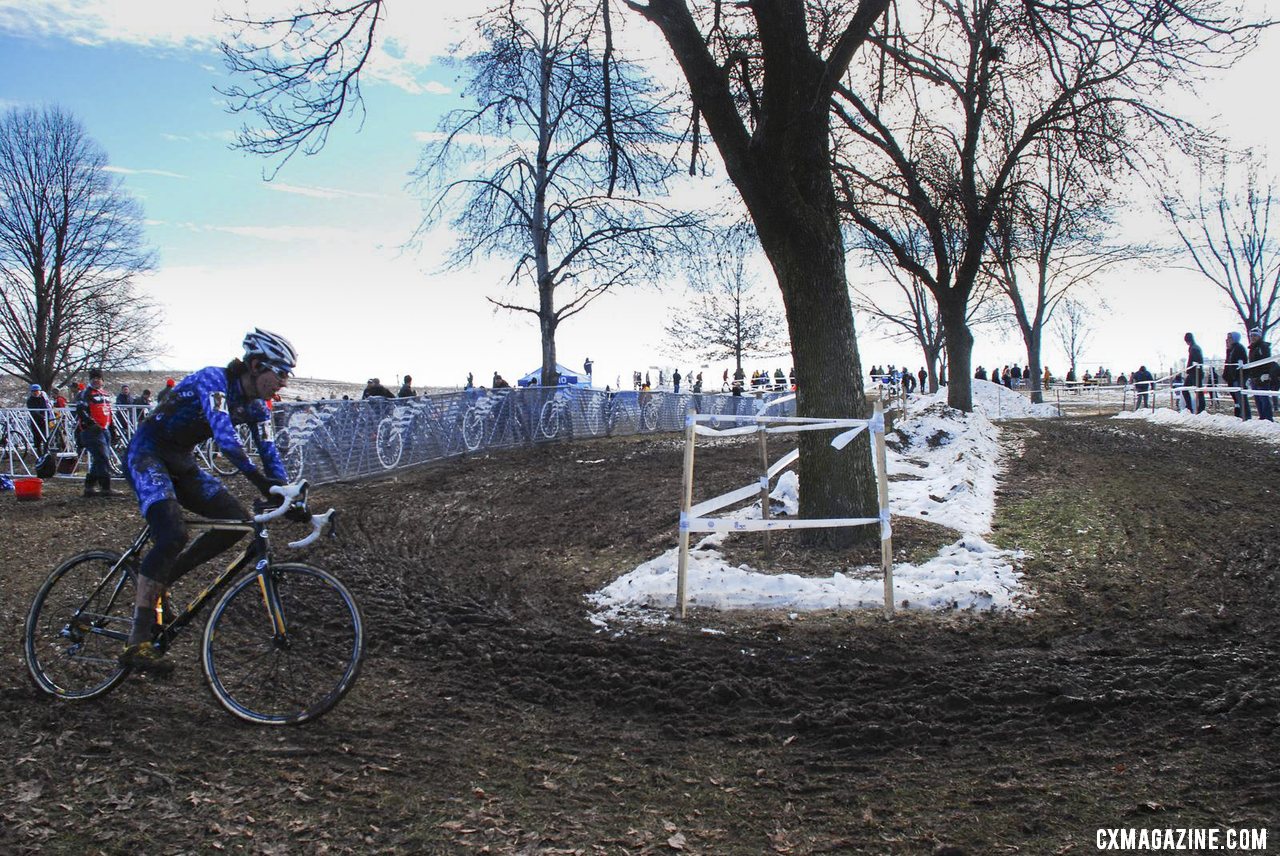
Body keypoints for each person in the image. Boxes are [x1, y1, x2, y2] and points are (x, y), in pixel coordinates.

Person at [118, 328, 296, 671]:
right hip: (148, 454)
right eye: (281, 373)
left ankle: (163, 579)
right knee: (172, 534)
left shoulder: (257, 406)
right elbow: (227, 440)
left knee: (235, 524)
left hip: (181, 460)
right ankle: (136, 642)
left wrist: (287, 493)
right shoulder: (213, 379)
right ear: (256, 365)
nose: (284, 383)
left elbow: (270, 454)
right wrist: (262, 483)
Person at [74, 368, 114, 497]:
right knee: (102, 457)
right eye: (93, 378)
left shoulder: (105, 394)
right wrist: (91, 423)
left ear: (102, 381)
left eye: (99, 378)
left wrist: (112, 429)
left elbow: (108, 412)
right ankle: (105, 487)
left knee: (100, 459)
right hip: (91, 431)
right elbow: (81, 410)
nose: (96, 380)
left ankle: (89, 486)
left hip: (104, 429)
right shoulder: (85, 393)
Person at [1246, 328, 1277, 422]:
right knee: (1258, 399)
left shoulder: (1263, 347)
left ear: (1259, 336)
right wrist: (1249, 376)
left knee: (1264, 398)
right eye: (1251, 336)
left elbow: (1268, 361)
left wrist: (1266, 374)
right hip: (1254, 377)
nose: (1252, 337)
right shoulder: (1252, 348)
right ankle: (1262, 418)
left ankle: (1268, 419)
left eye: (1255, 335)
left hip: (1262, 376)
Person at [1223, 331, 1250, 420]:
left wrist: (1235, 375)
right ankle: (1239, 414)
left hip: (1237, 377)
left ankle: (1245, 416)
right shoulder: (1231, 350)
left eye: (1230, 338)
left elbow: (1238, 363)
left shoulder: (1238, 348)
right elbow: (1228, 363)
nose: (1227, 340)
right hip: (1232, 377)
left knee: (1241, 397)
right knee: (1236, 398)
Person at [1183, 332, 1206, 414]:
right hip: (1194, 372)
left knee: (1197, 390)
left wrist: (1190, 368)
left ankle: (1198, 408)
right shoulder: (1194, 347)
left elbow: (1196, 361)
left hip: (1195, 372)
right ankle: (1191, 408)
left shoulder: (1194, 348)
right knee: (1188, 389)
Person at [26, 384, 51, 457]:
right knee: (37, 436)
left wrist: (48, 417)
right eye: (34, 391)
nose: (35, 393)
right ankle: (39, 452)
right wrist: (41, 416)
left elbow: (47, 408)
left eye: (37, 391)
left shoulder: (43, 399)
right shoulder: (30, 400)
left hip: (44, 421)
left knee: (46, 436)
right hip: (35, 420)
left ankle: (46, 451)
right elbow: (33, 411)